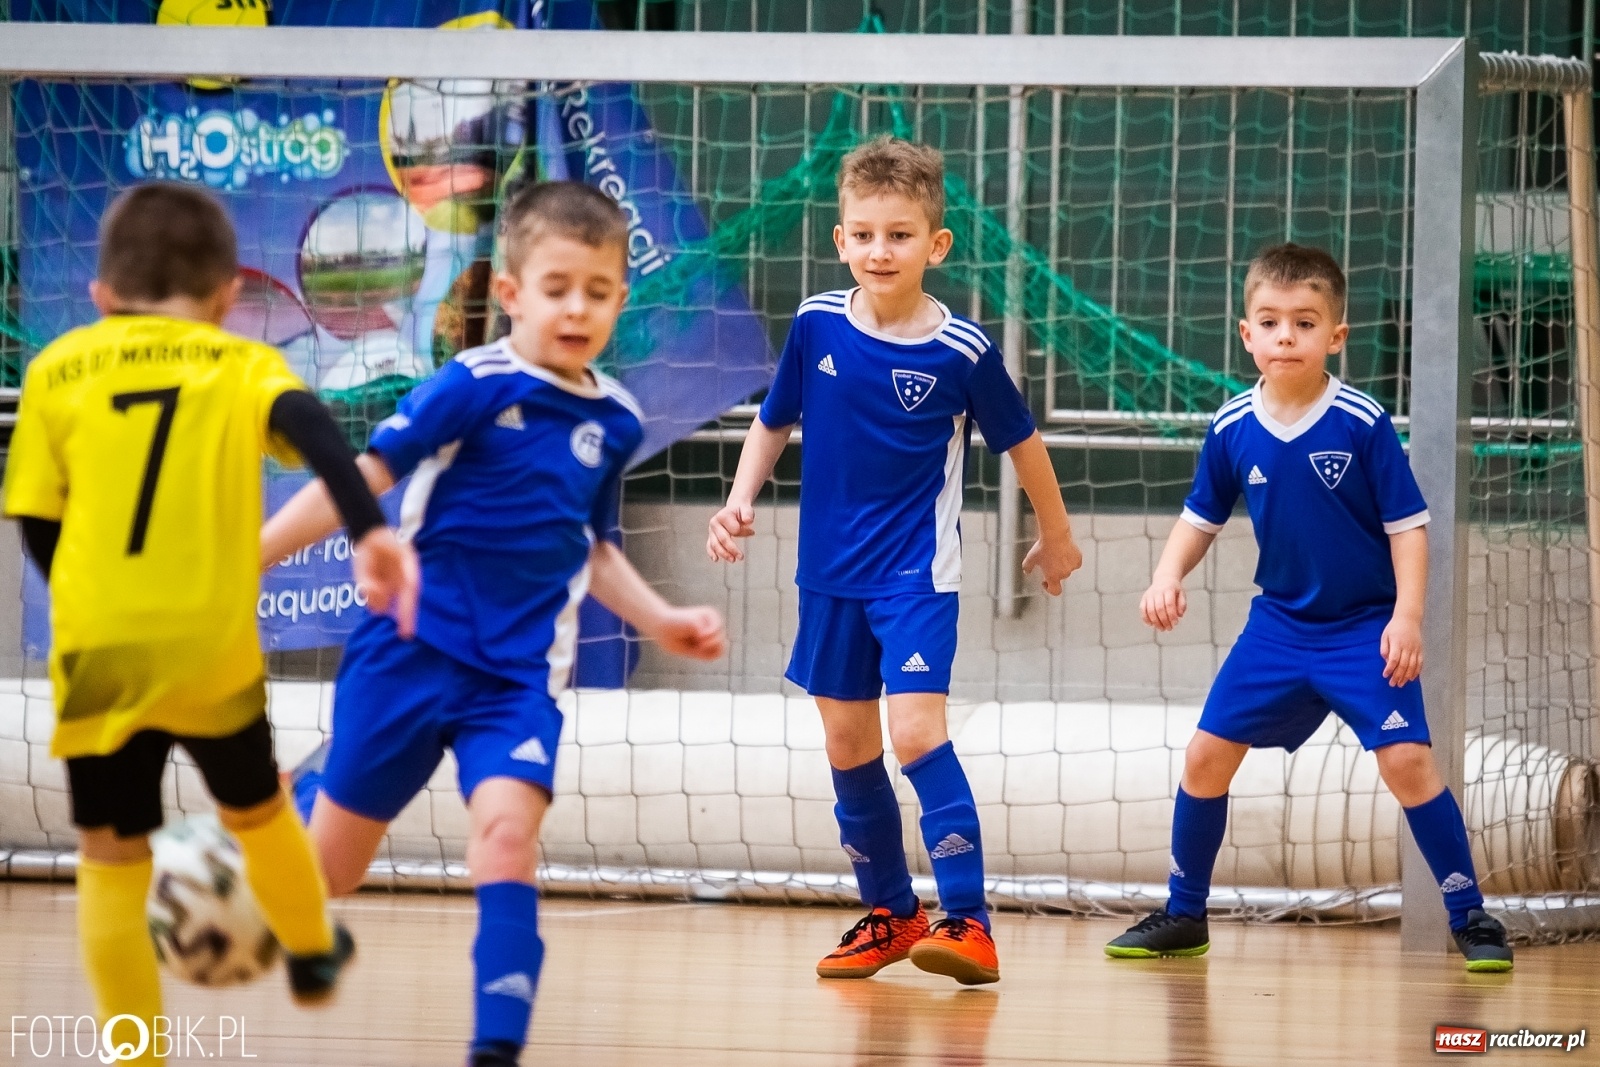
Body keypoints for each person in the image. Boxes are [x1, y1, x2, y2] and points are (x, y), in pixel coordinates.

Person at [262, 180, 727, 1067]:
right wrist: (252, 554)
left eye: (598, 290)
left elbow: (587, 548)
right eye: (556, 288)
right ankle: (305, 795)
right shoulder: (470, 384)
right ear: (511, 293)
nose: (577, 308)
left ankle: (495, 1049)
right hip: (407, 655)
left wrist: (664, 618)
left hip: (515, 685)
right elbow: (363, 479)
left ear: (621, 297)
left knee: (508, 839)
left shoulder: (616, 418)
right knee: (329, 874)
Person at [3, 183, 415, 1064]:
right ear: (230, 295)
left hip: (101, 649)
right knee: (259, 810)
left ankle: (136, 1053)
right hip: (209, 645)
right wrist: (370, 531)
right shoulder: (241, 365)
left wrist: (87, 592)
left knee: (111, 855)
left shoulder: (54, 371)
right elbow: (316, 431)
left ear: (102, 296)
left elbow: (36, 519)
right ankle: (310, 949)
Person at [707, 136, 1083, 986]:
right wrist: (738, 499)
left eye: (901, 235)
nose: (882, 250)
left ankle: (971, 923)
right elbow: (773, 420)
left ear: (935, 246)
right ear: (840, 240)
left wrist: (1056, 534)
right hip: (828, 577)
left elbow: (1022, 444)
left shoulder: (963, 351)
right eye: (865, 234)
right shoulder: (814, 324)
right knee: (847, 744)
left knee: (915, 732)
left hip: (916, 575)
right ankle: (888, 911)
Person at [1103, 242, 1512, 973]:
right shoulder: (1232, 425)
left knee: (1410, 762)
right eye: (1271, 321)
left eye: (1304, 321)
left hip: (1363, 629)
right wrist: (1166, 574)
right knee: (1204, 756)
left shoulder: (1360, 421)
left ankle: (1470, 915)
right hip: (1281, 627)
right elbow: (1201, 516)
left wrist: (1407, 618)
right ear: (1246, 334)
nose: (1286, 335)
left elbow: (1408, 527)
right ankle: (1184, 912)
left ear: (1336, 336)